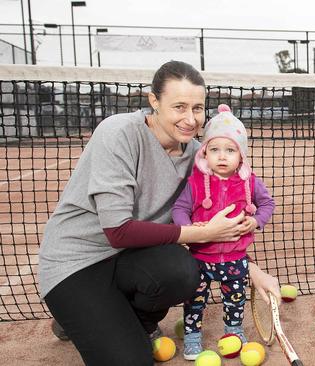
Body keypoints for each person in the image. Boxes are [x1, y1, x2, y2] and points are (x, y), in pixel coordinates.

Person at [38, 60, 281, 366]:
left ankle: (123, 320)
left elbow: (218, 227)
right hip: (76, 264)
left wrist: (249, 269)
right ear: (154, 101)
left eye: (196, 108)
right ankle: (75, 316)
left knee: (182, 271)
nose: (190, 118)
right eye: (179, 106)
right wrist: (202, 233)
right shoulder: (119, 133)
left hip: (132, 259)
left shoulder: (200, 156)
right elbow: (118, 232)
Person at [171, 104, 275, 359]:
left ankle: (233, 331)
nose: (222, 156)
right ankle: (193, 337)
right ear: (204, 152)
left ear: (241, 155)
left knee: (234, 300)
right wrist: (187, 227)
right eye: (214, 150)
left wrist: (256, 221)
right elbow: (179, 208)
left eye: (230, 150)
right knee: (195, 301)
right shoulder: (195, 182)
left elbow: (268, 204)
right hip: (199, 259)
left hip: (235, 259)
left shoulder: (250, 182)